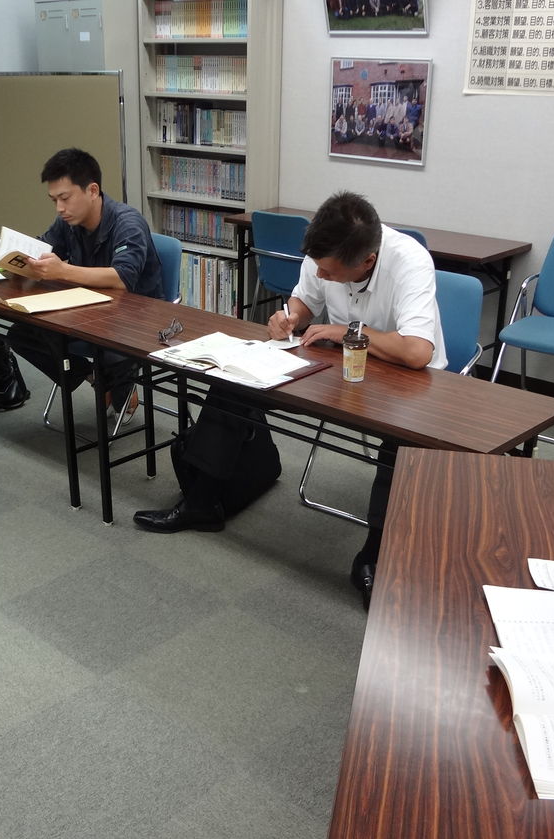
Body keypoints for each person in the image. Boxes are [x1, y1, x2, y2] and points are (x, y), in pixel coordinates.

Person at [134, 191, 446, 610]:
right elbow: (305, 300)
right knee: (233, 384)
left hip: (408, 379)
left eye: (330, 272)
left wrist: (345, 332)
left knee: (400, 441)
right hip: (340, 365)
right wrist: (291, 317)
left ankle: (373, 556)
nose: (321, 274)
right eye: (318, 267)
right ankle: (202, 502)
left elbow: (417, 352)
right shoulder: (328, 250)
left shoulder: (408, 262)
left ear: (367, 261)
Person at [4, 147, 162, 422]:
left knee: (108, 350)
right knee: (22, 333)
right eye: (54, 200)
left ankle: (118, 384)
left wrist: (62, 271)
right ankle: (95, 378)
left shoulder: (127, 222)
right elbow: (43, 249)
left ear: (92, 190)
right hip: (88, 309)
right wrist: (16, 260)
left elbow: (121, 279)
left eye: (65, 198)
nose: (59, 208)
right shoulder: (68, 222)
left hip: (136, 317)